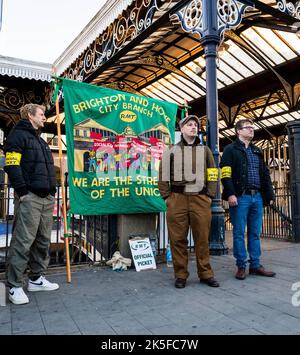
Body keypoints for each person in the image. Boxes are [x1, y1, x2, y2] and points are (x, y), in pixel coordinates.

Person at [4, 104, 59, 305]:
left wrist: (52, 191)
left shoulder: (39, 139)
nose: (45, 118)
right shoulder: (18, 136)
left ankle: (36, 279)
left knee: (43, 240)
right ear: (30, 115)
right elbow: (11, 164)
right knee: (23, 241)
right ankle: (14, 286)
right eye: (42, 114)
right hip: (30, 197)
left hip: (46, 198)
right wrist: (23, 193)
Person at [158, 115, 219, 288]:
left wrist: (209, 196)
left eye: (195, 125)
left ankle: (206, 273)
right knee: (177, 239)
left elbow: (213, 173)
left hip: (200, 198)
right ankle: (180, 275)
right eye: (189, 125)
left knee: (202, 238)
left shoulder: (205, 150)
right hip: (177, 199)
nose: (193, 127)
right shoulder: (171, 150)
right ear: (182, 129)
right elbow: (162, 176)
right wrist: (167, 198)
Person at [220, 119, 276, 280]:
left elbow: (265, 174)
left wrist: (270, 195)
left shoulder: (257, 151)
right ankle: (241, 266)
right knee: (238, 233)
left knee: (255, 233)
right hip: (240, 197)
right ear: (238, 131)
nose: (252, 130)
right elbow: (225, 173)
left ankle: (255, 265)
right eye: (248, 128)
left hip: (257, 197)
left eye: (253, 127)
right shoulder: (230, 150)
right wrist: (230, 193)